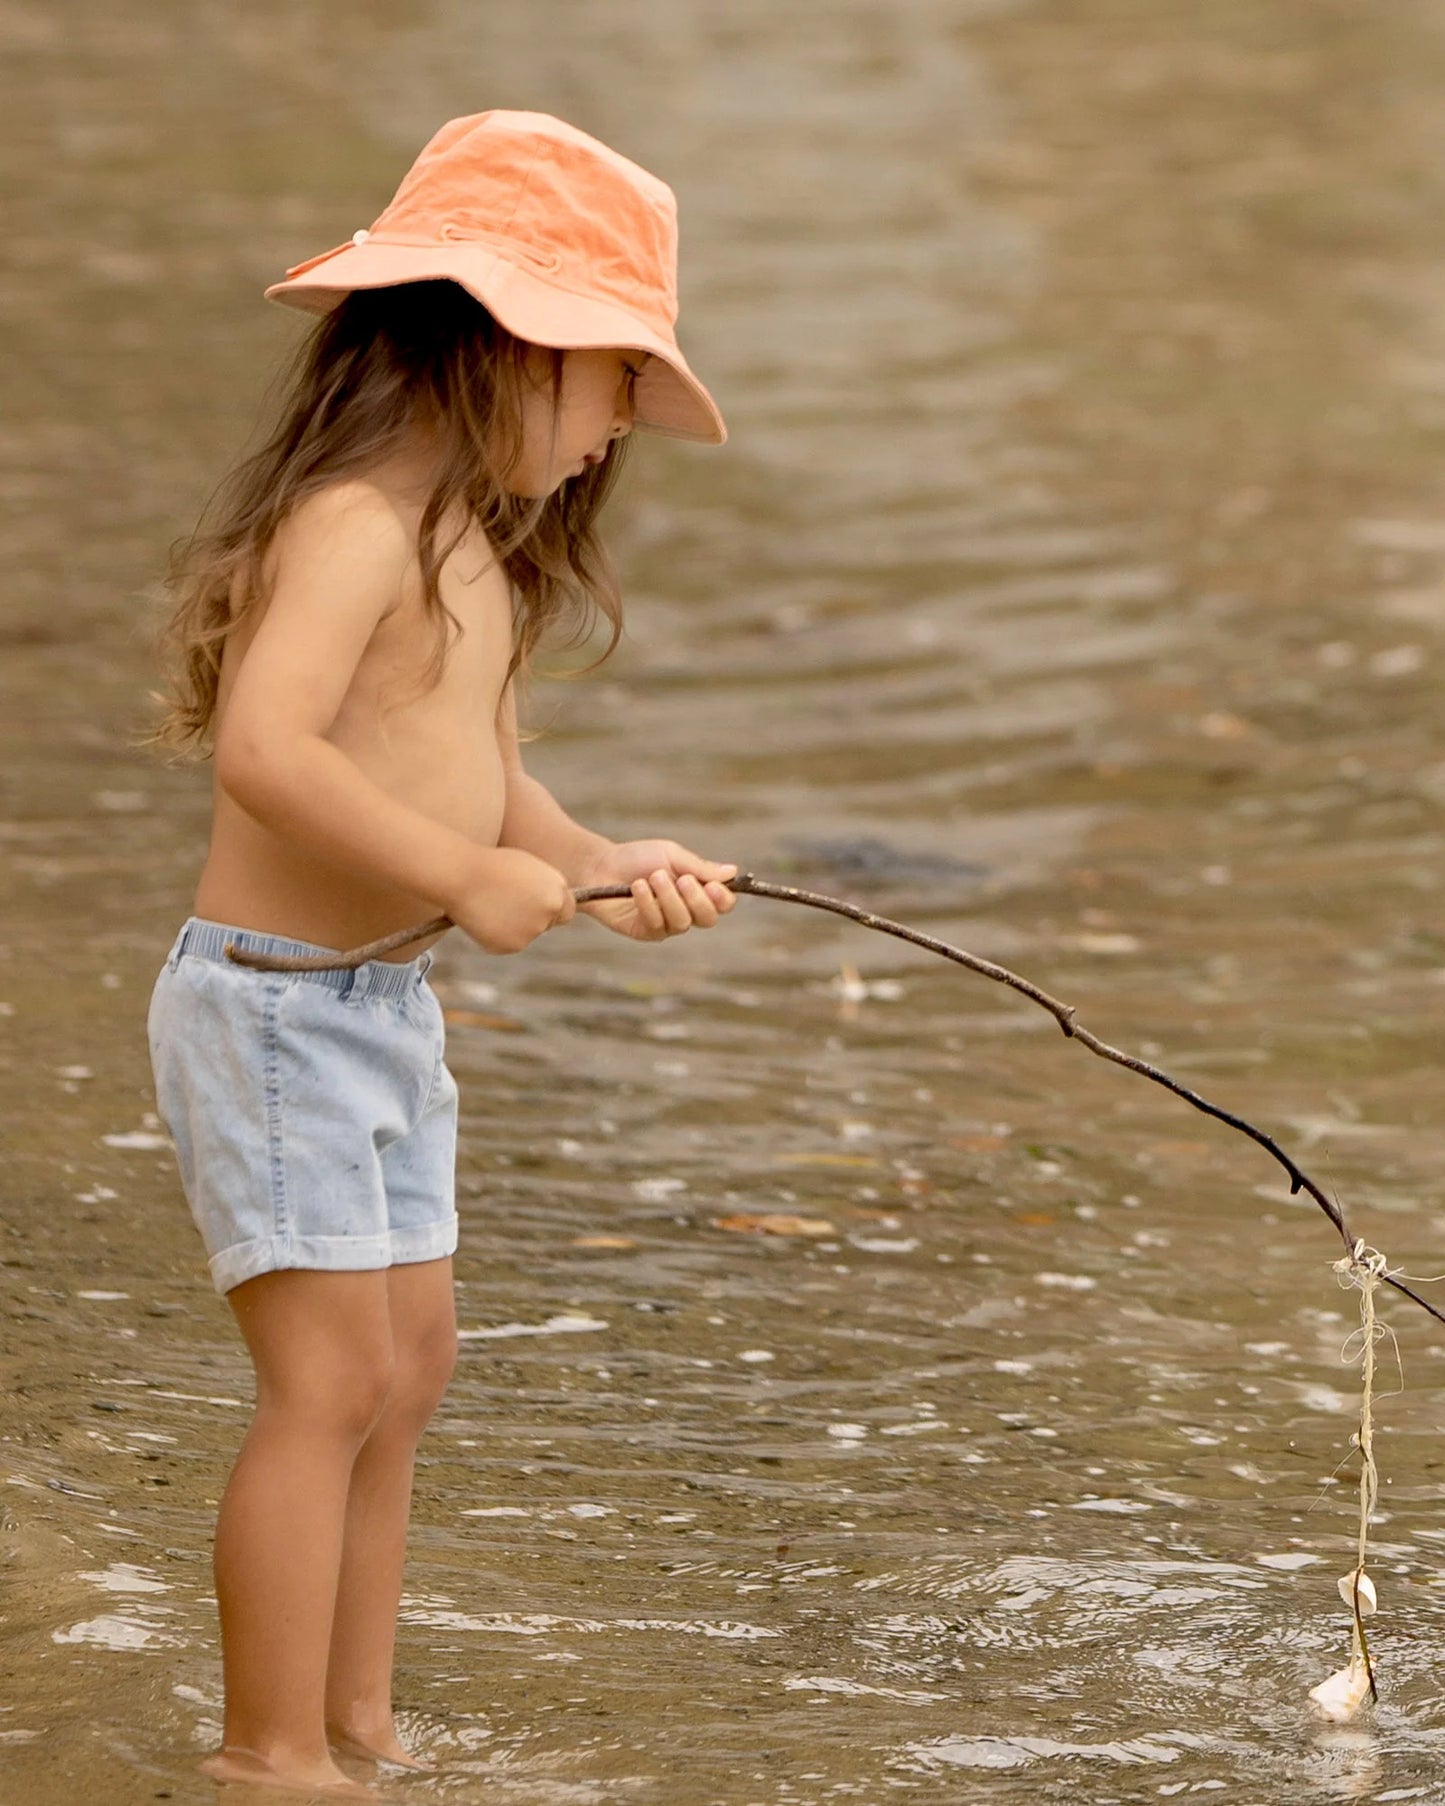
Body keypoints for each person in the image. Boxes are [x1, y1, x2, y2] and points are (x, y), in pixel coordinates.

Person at [144, 110, 736, 1796]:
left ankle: (360, 1723)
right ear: (500, 348)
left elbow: (484, 772)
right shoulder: (350, 524)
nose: (619, 420)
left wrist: (588, 858)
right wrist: (463, 874)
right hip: (269, 1010)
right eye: (611, 378)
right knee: (324, 1380)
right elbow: (268, 750)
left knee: (407, 1370)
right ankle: (267, 1753)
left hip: (375, 1009)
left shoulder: (471, 541)